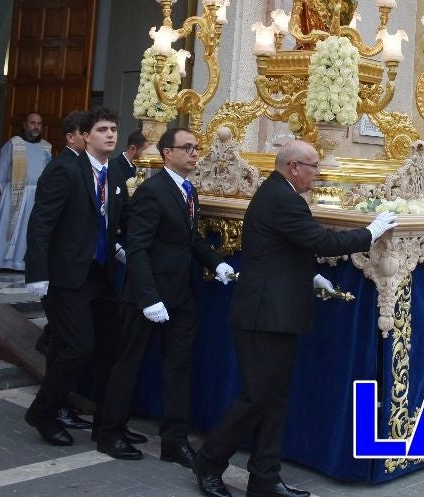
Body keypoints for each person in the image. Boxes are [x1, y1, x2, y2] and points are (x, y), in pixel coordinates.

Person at [192, 140, 397, 497]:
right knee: (256, 397)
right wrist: (371, 232)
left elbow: (285, 250)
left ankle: (265, 479)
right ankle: (209, 462)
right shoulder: (283, 199)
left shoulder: (281, 195)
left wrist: (309, 276)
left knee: (274, 399)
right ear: (293, 167)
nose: (318, 173)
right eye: (314, 166)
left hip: (277, 312)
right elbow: (321, 241)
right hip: (263, 316)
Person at [96, 128, 232, 465]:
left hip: (181, 294)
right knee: (128, 364)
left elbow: (189, 240)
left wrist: (217, 264)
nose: (194, 153)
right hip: (148, 295)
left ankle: (174, 441)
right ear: (166, 153)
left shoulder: (188, 190)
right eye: (187, 148)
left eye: (196, 148)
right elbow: (138, 248)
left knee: (179, 367)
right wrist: (148, 298)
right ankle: (109, 432)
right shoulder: (151, 191)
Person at [23, 107, 130, 447]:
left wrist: (115, 247)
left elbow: (107, 220)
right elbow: (42, 222)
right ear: (85, 135)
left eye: (113, 128)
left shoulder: (112, 174)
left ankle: (108, 424)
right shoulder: (64, 169)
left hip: (99, 273)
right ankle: (43, 411)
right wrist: (38, 272)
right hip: (66, 276)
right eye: (102, 129)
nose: (110, 135)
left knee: (111, 346)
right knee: (78, 346)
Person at [0, 111, 53, 271]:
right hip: (13, 193)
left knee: (30, 229)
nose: (36, 127)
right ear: (25, 125)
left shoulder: (46, 147)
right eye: (32, 123)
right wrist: (9, 193)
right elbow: (1, 172)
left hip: (36, 196)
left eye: (39, 124)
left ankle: (21, 263)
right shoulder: (13, 144)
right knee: (6, 228)